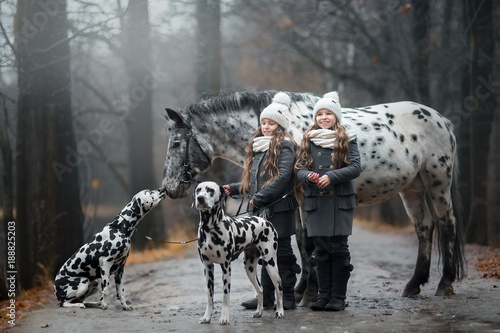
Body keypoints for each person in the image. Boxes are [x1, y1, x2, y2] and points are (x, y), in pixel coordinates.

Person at [224, 92, 301, 310]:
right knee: (262, 251)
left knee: (282, 252)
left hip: (279, 208)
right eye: (264, 122)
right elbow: (256, 181)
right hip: (261, 207)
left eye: (271, 123)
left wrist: (258, 199)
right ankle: (266, 298)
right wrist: (236, 188)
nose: (266, 126)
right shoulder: (258, 146)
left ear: (280, 126)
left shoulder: (285, 145)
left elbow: (282, 177)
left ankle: (286, 297)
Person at [295, 91, 361, 311]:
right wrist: (308, 176)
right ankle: (322, 296)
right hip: (316, 202)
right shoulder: (308, 139)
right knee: (320, 250)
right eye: (320, 114)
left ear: (336, 117)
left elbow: (355, 167)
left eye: (328, 114)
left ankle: (338, 297)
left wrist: (331, 176)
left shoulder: (348, 138)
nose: (323, 117)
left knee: (338, 249)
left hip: (339, 202)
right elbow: (300, 169)